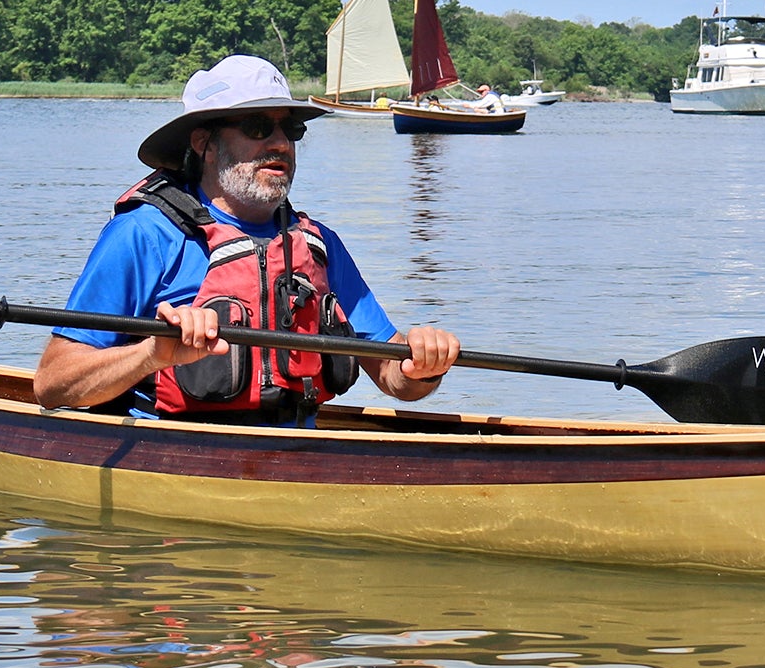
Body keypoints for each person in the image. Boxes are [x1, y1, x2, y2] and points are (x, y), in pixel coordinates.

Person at [33, 54, 460, 423]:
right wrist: (151, 355)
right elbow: (53, 384)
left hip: (294, 453)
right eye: (258, 127)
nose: (281, 144)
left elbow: (393, 378)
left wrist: (422, 363)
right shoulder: (144, 234)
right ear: (205, 143)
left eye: (291, 129)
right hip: (169, 448)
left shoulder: (319, 245)